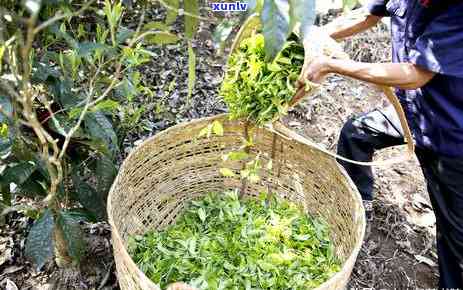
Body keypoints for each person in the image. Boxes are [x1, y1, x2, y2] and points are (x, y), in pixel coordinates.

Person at [297, 0, 463, 288]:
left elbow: (415, 74)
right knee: (357, 134)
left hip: (449, 129)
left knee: (453, 232)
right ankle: (356, 210)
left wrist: (332, 65)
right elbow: (367, 14)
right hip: (413, 110)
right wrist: (316, 38)